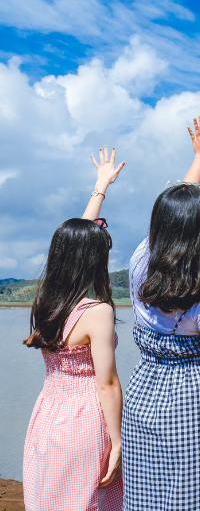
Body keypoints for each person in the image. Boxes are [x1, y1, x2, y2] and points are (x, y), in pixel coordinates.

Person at [121, 117, 200, 510]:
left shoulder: (139, 262)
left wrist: (199, 158)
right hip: (194, 406)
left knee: (147, 495)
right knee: (196, 496)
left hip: (142, 394)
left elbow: (172, 217)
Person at [23, 146, 125, 511]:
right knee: (87, 501)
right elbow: (107, 383)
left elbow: (76, 242)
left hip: (48, 413)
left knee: (51, 497)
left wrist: (100, 186)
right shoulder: (96, 312)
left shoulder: (48, 301)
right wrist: (116, 442)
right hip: (84, 418)